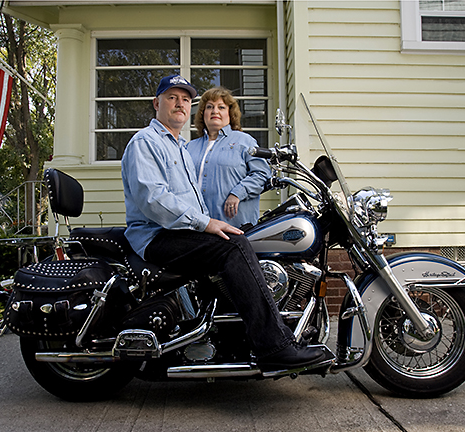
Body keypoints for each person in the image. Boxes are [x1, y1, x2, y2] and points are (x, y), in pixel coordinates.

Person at [121, 74, 330, 371]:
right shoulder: (147, 142)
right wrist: (206, 223)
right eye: (172, 97)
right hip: (158, 236)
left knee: (233, 246)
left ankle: (232, 339)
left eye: (185, 99)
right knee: (233, 247)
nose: (180, 104)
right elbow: (153, 199)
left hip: (177, 232)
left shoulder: (179, 146)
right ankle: (275, 346)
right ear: (157, 103)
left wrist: (208, 220)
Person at [187, 87, 270, 228]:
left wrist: (237, 193)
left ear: (230, 113)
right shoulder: (189, 147)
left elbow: (262, 174)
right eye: (209, 107)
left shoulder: (245, 142)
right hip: (198, 229)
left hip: (235, 228)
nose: (215, 111)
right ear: (202, 114)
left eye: (221, 107)